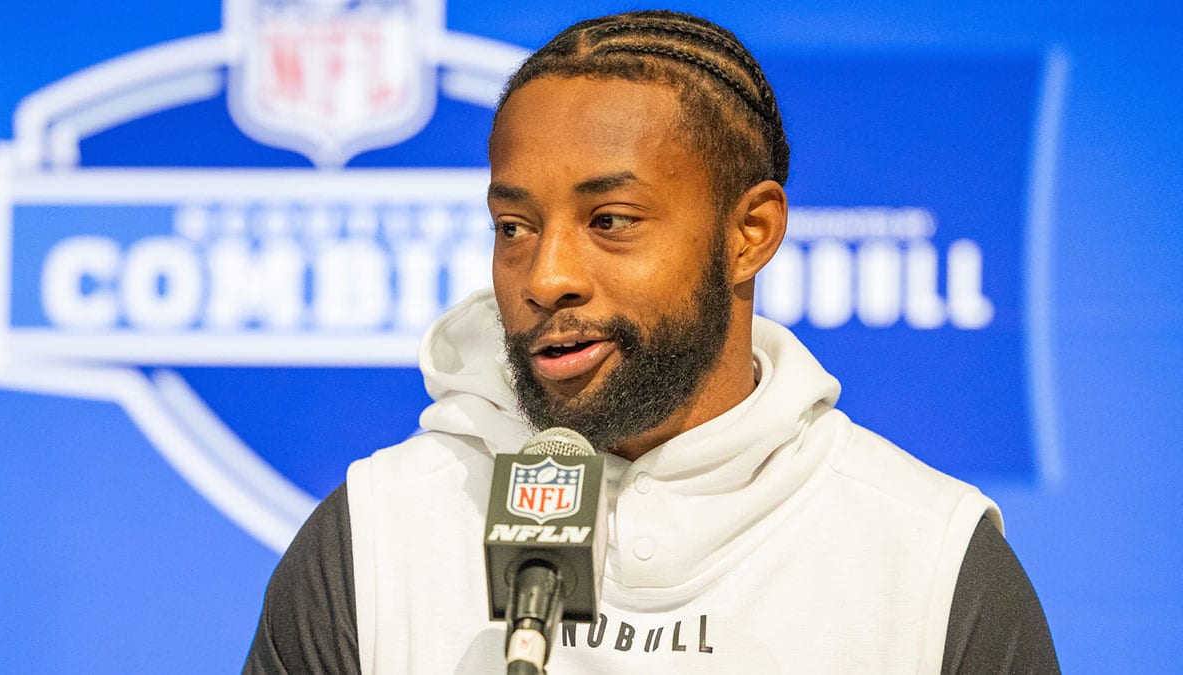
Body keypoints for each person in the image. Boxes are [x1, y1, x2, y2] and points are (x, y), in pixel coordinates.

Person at [245, 10, 1058, 674]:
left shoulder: (927, 559)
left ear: (750, 233)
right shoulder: (377, 536)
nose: (545, 275)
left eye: (610, 221)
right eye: (513, 226)